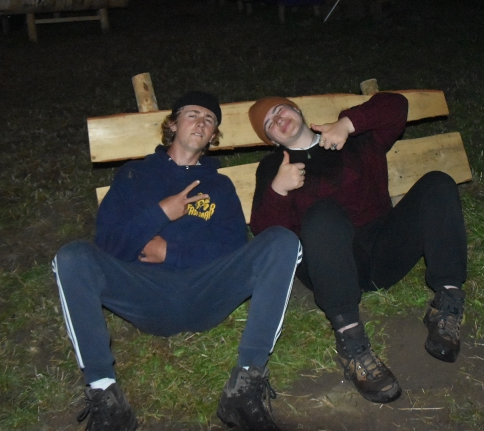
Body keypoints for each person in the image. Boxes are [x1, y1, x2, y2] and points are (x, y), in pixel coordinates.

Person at [53, 91, 302, 431]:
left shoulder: (220, 186)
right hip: (146, 292)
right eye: (192, 114)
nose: (201, 122)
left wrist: (171, 252)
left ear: (213, 136)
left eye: (209, 120)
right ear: (172, 124)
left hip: (207, 291)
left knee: (283, 241)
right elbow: (108, 245)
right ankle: (104, 393)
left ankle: (246, 384)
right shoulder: (133, 176)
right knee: (72, 258)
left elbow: (232, 247)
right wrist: (160, 213)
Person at [247, 92, 468, 405]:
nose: (279, 120)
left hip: (382, 250)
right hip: (328, 263)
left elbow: (396, 106)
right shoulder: (273, 167)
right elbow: (266, 230)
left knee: (438, 183)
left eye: (281, 110)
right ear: (270, 139)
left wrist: (348, 124)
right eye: (269, 123)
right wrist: (278, 190)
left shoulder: (356, 138)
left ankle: (446, 305)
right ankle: (351, 341)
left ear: (297, 110)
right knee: (323, 212)